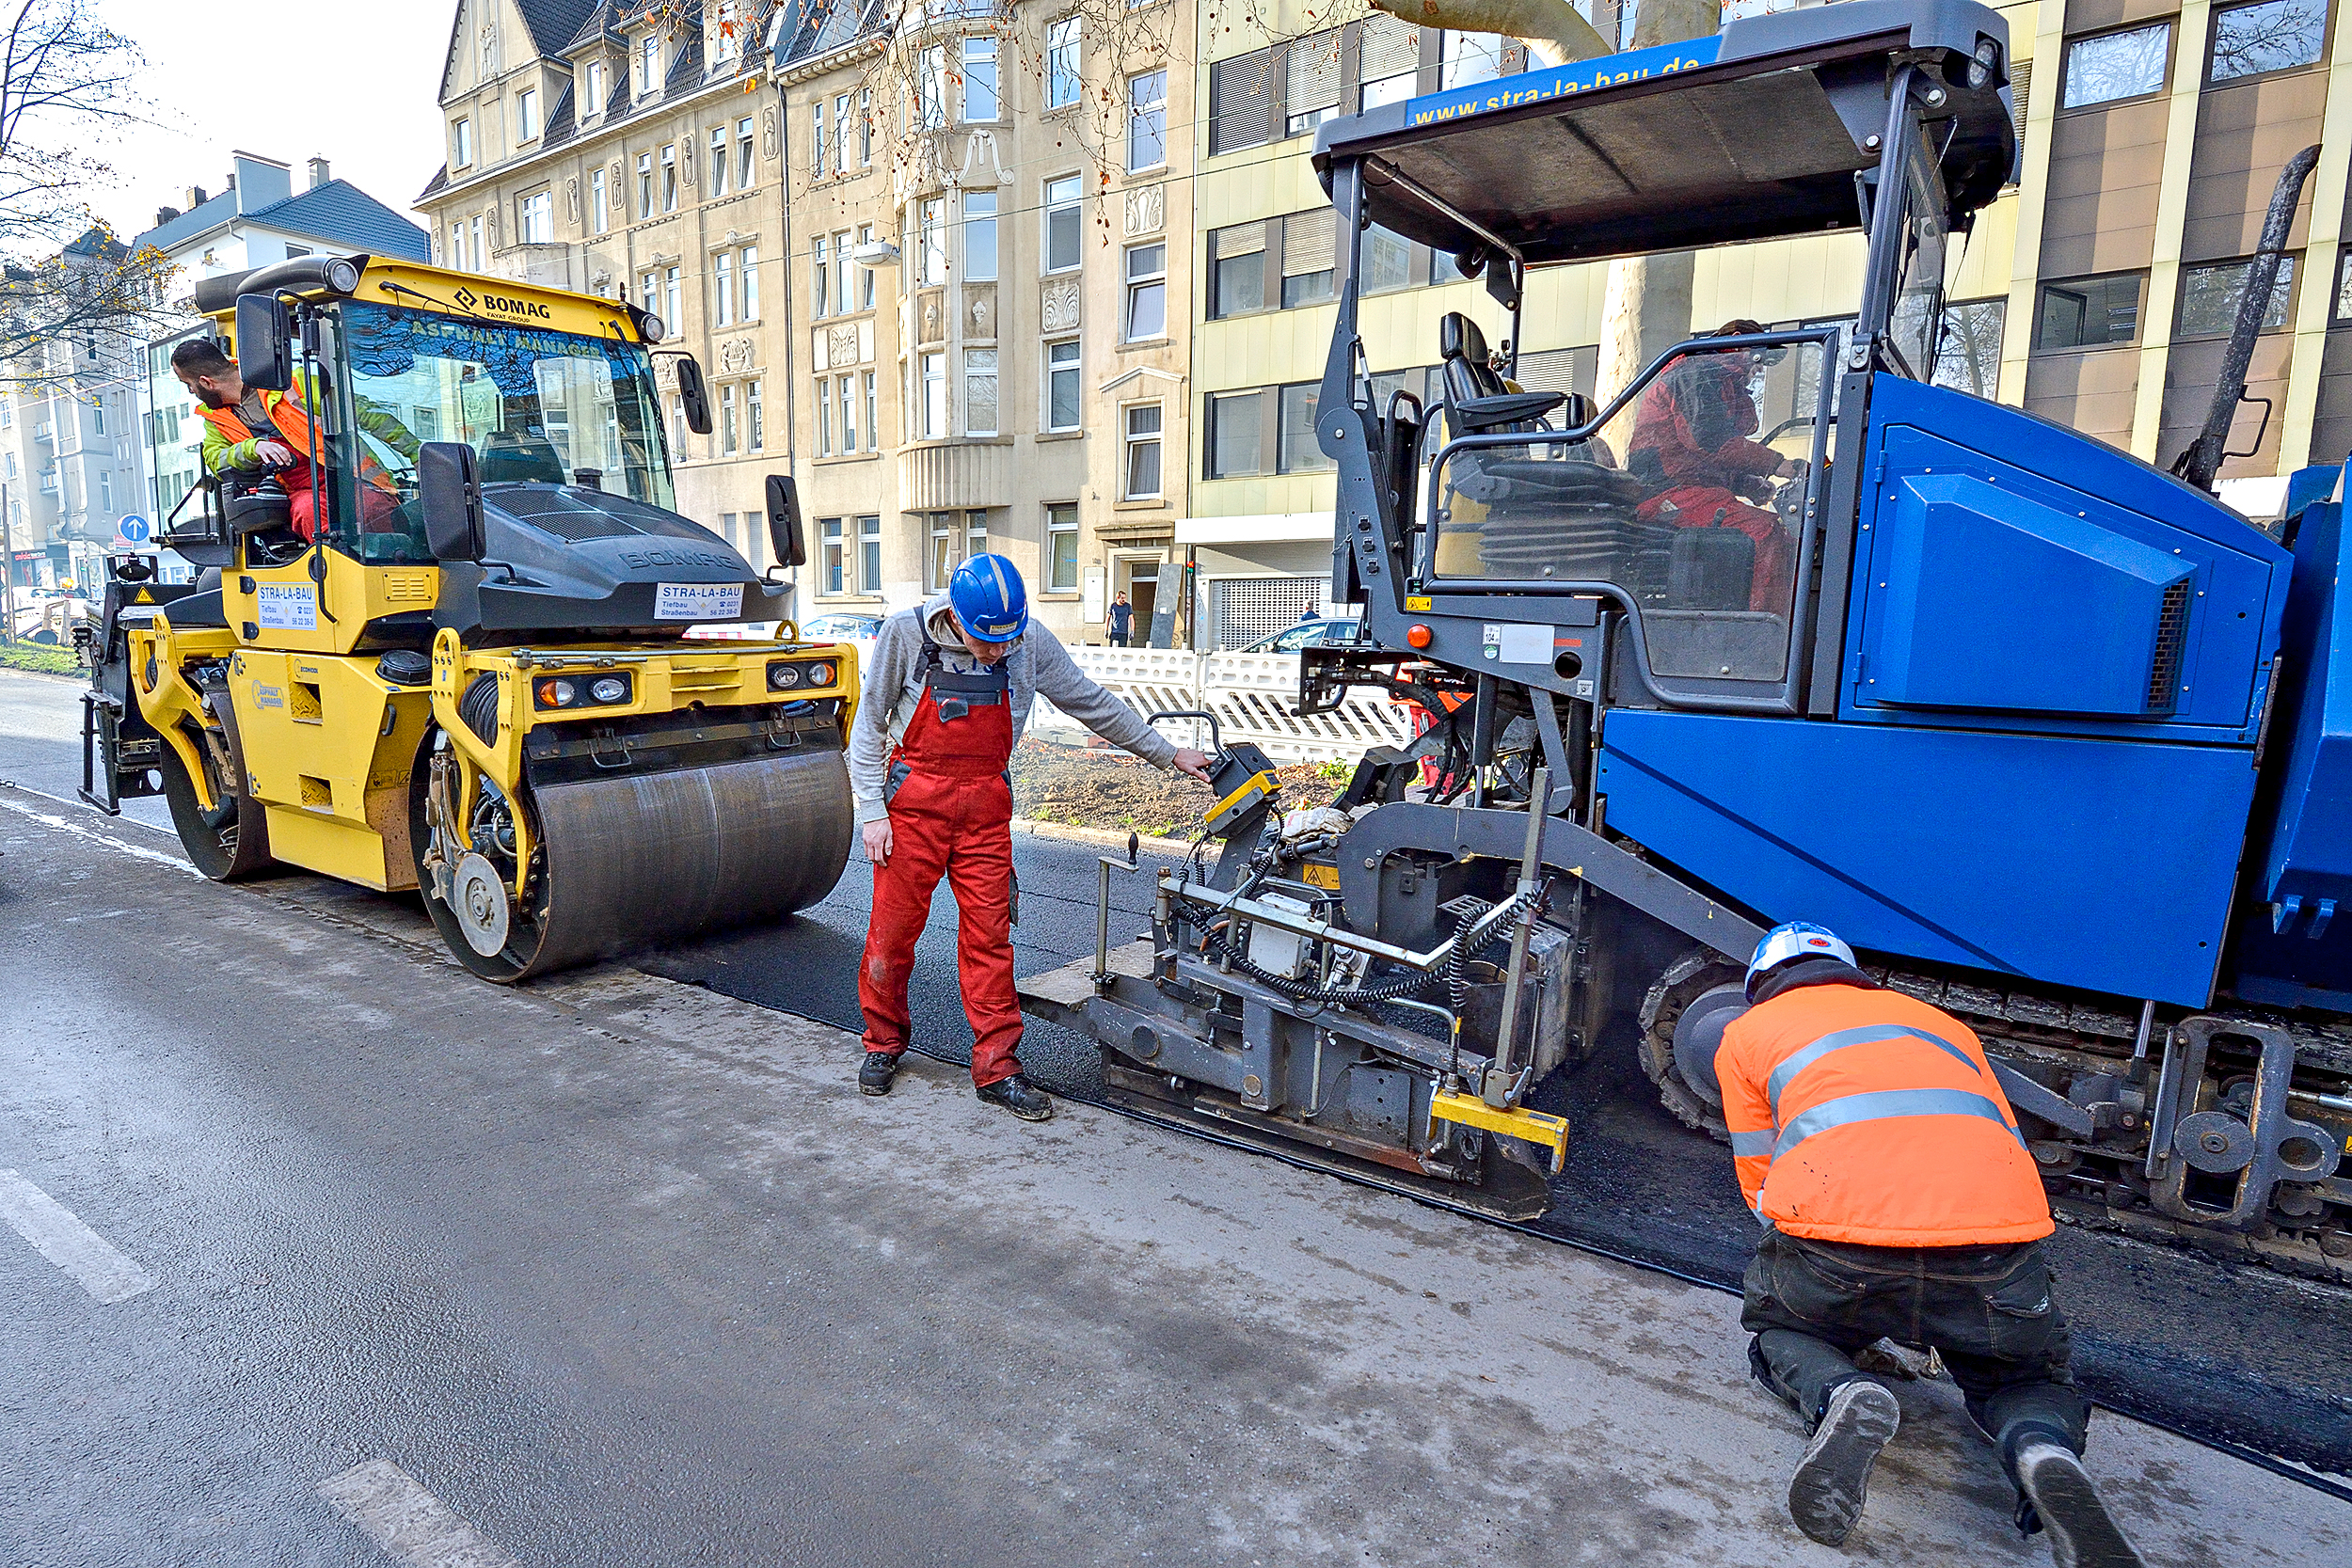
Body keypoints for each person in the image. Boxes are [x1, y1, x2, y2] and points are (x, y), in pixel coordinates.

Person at [1717, 922, 2142, 1568]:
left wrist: (1796, 1265)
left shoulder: (1746, 1033)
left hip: (1840, 1244)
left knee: (1781, 1330)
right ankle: (2042, 1447)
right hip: (1994, 1250)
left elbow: (1758, 1172)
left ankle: (1842, 1390)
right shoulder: (1940, 1023)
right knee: (2022, 1377)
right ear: (1852, 972)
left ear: (1760, 985)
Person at [850, 554, 1212, 1120]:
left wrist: (1166, 753)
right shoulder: (906, 635)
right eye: (984, 642)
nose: (997, 652)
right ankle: (882, 1043)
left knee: (989, 940)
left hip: (985, 811)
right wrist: (871, 810)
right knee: (892, 937)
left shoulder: (1029, 643)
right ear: (954, 615)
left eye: (1006, 641)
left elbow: (1091, 702)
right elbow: (868, 726)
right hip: (910, 810)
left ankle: (997, 1067)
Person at [1625, 319, 1804, 611]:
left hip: (1695, 492)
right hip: (1663, 497)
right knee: (1763, 532)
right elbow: (1710, 441)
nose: (1758, 369)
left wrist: (1747, 483)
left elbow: (1702, 458)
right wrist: (1780, 464)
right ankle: (1761, 631)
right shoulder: (1694, 372)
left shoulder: (1716, 382)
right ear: (1735, 340)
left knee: (1783, 536)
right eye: (1757, 358)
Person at [171, 338, 415, 543]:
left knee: (372, 508)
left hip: (350, 478)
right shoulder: (215, 419)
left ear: (206, 382)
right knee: (307, 512)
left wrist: (415, 453)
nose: (191, 392)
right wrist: (253, 448)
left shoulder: (297, 384)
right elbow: (215, 458)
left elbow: (367, 415)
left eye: (188, 385)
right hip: (300, 491)